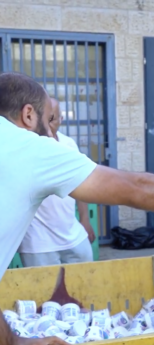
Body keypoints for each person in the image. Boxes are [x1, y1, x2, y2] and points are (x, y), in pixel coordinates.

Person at [0, 72, 154, 345]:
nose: (51, 130)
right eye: (48, 119)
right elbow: (133, 188)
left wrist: (11, 341)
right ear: (28, 115)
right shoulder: (30, 148)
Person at [18, 98, 96, 267]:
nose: (48, 124)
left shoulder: (69, 144)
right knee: (43, 285)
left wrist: (85, 219)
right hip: (38, 243)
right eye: (46, 118)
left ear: (61, 119)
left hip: (73, 236)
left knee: (85, 280)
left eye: (53, 118)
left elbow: (80, 181)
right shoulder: (24, 148)